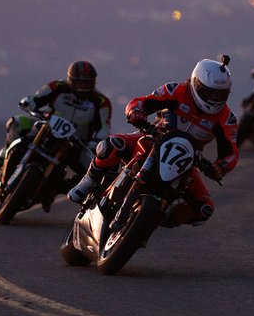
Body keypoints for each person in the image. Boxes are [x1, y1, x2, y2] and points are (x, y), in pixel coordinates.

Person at [68, 55, 239, 227]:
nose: (214, 98)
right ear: (196, 84)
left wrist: (220, 166)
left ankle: (160, 217)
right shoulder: (176, 90)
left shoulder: (226, 118)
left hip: (186, 161)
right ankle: (88, 181)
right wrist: (136, 112)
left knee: (204, 208)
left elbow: (231, 152)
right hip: (153, 139)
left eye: (219, 94)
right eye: (209, 92)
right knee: (110, 145)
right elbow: (140, 102)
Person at [0, 60, 112, 200]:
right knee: (16, 123)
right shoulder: (57, 86)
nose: (83, 87)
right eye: (79, 83)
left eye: (87, 83)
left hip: (76, 144)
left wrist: (96, 142)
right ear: (70, 80)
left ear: (93, 83)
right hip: (46, 127)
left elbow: (105, 127)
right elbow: (37, 97)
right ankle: (0, 160)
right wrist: (29, 102)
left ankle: (59, 190)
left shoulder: (102, 102)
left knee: (96, 171)